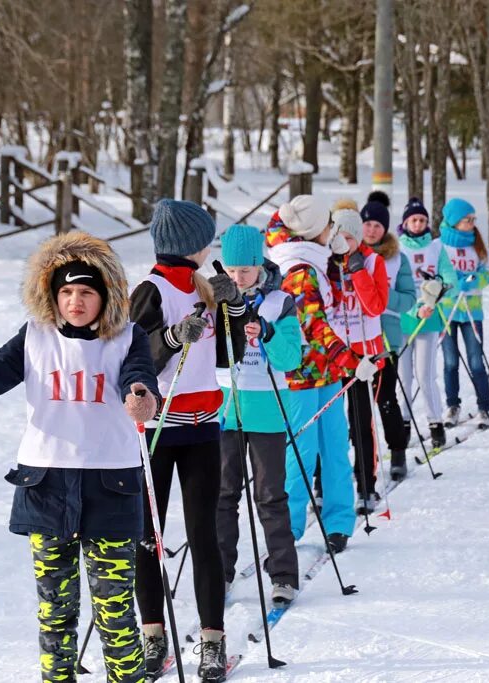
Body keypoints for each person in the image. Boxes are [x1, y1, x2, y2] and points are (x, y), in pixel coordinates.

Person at [0, 232, 157, 682]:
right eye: (67, 291)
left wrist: (140, 396)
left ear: (106, 297)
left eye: (86, 292)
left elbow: (138, 376)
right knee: (55, 613)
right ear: (52, 295)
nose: (75, 301)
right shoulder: (35, 336)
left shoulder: (127, 337)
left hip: (111, 488)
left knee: (115, 613)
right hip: (46, 486)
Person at [129, 199, 247, 681]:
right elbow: (136, 358)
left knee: (204, 535)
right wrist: (174, 337)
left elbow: (229, 355)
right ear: (191, 245)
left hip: (202, 427)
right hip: (157, 429)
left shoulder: (206, 287)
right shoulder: (150, 289)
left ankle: (212, 642)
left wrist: (234, 309)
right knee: (147, 537)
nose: (211, 248)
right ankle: (153, 637)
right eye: (207, 240)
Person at [266, 195, 378, 555]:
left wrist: (342, 251)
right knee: (301, 453)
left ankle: (339, 521)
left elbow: (279, 222)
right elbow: (315, 327)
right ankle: (292, 525)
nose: (333, 230)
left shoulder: (311, 258)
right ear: (313, 232)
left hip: (326, 374)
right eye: (328, 225)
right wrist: (352, 361)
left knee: (334, 448)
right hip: (301, 376)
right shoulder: (299, 271)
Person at [215, 224, 302, 605]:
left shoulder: (280, 302)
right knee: (222, 495)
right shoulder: (214, 298)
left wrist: (267, 333)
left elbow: (292, 358)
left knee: (269, 496)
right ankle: (220, 573)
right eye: (230, 272)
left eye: (244, 271)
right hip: (224, 409)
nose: (237, 279)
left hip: (266, 408)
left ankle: (283, 575)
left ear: (258, 264)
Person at [328, 195, 395, 512]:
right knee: (330, 424)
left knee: (360, 423)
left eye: (350, 237)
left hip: (364, 357)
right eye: (339, 237)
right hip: (333, 354)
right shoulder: (326, 262)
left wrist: (358, 273)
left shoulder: (371, 262)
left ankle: (366, 485)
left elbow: (376, 306)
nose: (344, 243)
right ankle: (322, 482)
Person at [417, 198, 489, 429]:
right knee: (450, 362)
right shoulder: (439, 246)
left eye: (472, 220)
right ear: (453, 222)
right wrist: (447, 284)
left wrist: (470, 281)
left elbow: (487, 272)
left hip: (471, 310)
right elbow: (433, 274)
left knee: (475, 360)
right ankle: (452, 405)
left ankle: (484, 406)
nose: (471, 224)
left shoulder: (477, 244)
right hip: (447, 311)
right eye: (466, 220)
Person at [361, 195, 417, 480]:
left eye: (376, 226)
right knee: (357, 406)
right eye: (367, 224)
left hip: (386, 339)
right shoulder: (348, 256)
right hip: (355, 339)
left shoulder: (397, 259)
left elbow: (409, 300)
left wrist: (381, 296)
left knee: (385, 397)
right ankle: (359, 458)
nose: (371, 230)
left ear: (385, 229)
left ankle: (397, 451)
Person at [397, 196, 448, 443]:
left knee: (425, 375)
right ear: (406, 222)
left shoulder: (436, 247)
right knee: (403, 377)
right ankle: (403, 423)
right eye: (414, 219)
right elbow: (392, 285)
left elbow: (450, 279)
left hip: (428, 319)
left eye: (422, 220)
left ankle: (435, 423)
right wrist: (412, 308)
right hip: (403, 320)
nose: (418, 224)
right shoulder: (397, 248)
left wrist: (436, 294)